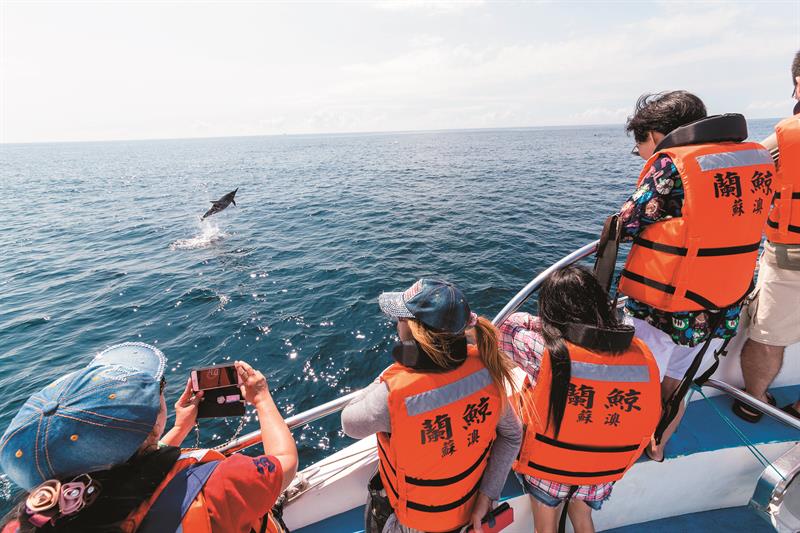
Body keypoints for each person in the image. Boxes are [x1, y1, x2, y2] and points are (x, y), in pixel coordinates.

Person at [617, 91, 775, 460]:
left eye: (640, 144)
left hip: (664, 306)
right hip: (718, 303)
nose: (642, 154)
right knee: (677, 382)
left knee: (641, 381)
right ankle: (659, 447)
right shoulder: (752, 159)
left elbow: (628, 222)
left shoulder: (673, 164)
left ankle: (629, 451)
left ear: (656, 134)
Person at [0, 342, 298, 533]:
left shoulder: (31, 521)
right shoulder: (216, 484)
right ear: (155, 418)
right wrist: (261, 398)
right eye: (159, 389)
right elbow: (284, 462)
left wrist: (180, 427)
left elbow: (131, 472)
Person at [341, 279, 522, 533]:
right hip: (468, 512)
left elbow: (348, 423)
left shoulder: (393, 393)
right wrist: (487, 496)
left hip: (414, 523)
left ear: (415, 331)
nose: (397, 324)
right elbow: (512, 435)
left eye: (401, 319)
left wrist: (390, 374)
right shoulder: (488, 370)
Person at [500, 266, 660, 533]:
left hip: (547, 470)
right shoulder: (640, 355)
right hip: (600, 472)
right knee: (584, 520)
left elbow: (506, 327)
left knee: (546, 528)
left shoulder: (545, 352)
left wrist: (546, 325)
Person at [735, 50, 800, 422]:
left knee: (767, 334)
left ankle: (752, 400)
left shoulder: (784, 140)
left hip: (790, 257)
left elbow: (743, 178)